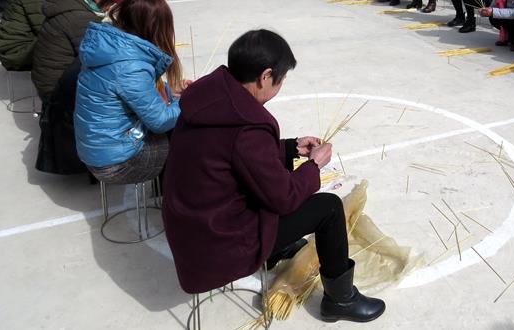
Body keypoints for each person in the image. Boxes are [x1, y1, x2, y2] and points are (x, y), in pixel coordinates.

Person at [162, 29, 386, 322]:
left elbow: (233, 156)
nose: (279, 86)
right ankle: (340, 300)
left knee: (271, 180)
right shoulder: (247, 125)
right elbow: (284, 197)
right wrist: (314, 166)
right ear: (265, 76)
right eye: (280, 80)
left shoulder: (209, 92)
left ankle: (278, 247)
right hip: (220, 242)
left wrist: (292, 147)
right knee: (328, 207)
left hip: (189, 227)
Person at [75, 0, 184, 183]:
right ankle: (176, 204)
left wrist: (170, 92)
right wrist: (188, 100)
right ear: (154, 26)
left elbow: (128, 92)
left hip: (96, 150)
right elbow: (159, 121)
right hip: (117, 163)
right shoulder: (130, 66)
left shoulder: (110, 46)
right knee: (184, 136)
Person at [33, 0, 124, 175]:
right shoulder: (82, 19)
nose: (112, 8)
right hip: (57, 94)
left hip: (52, 82)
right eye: (111, 2)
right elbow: (102, 61)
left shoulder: (72, 4)